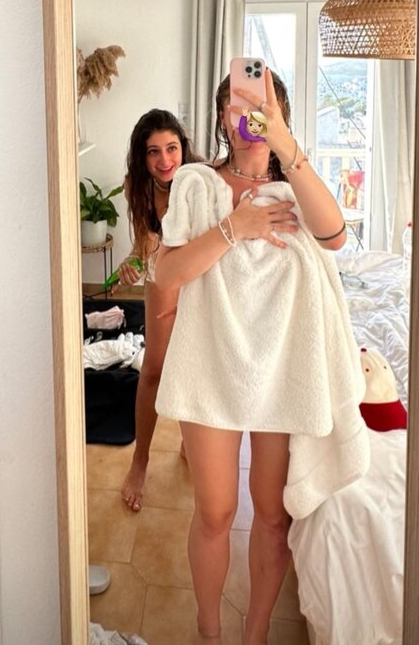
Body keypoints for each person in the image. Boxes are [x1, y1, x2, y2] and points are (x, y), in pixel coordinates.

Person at [153, 69, 350, 645]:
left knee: (271, 514)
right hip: (211, 362)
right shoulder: (196, 184)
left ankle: (255, 632)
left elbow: (336, 237)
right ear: (221, 116)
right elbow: (166, 274)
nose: (250, 115)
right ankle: (209, 632)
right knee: (215, 512)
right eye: (238, 104)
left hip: (282, 368)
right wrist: (233, 228)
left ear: (280, 113)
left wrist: (288, 148)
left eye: (263, 105)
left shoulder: (297, 188)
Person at [118, 108, 199, 512]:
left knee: (195, 366)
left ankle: (190, 441)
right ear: (142, 155)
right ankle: (140, 461)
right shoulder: (136, 186)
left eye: (171, 148)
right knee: (154, 367)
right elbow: (142, 246)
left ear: (182, 148)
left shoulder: (199, 180)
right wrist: (132, 263)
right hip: (161, 276)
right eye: (154, 151)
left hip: (198, 277)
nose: (165, 160)